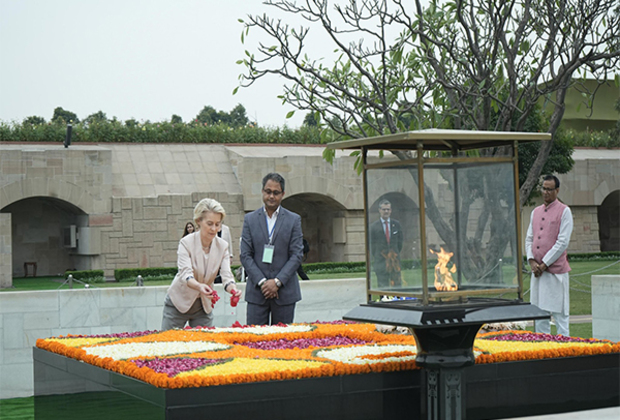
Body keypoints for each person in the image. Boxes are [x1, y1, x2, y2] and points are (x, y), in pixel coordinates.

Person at [162, 198, 242, 330]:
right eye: (209, 223)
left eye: (218, 224)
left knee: (207, 346)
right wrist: (199, 286)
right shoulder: (186, 243)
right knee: (167, 344)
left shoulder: (223, 246)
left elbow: (227, 276)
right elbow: (185, 274)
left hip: (203, 307)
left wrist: (233, 290)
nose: (214, 229)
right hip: (178, 303)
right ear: (198, 221)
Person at [240, 173, 304, 325]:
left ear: (283, 194)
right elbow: (245, 255)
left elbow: (296, 255)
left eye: (276, 193)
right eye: (268, 192)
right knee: (255, 342)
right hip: (257, 292)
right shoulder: (250, 219)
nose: (271, 196)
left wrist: (277, 282)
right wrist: (263, 282)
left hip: (285, 292)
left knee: (282, 343)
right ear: (262, 192)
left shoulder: (293, 220)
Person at [525, 174, 573, 337]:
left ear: (557, 191)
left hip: (555, 272)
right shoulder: (535, 212)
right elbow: (529, 238)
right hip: (538, 273)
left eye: (549, 189)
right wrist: (531, 261)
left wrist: (544, 264)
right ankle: (542, 350)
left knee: (560, 315)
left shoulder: (564, 211)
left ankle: (566, 352)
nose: (545, 192)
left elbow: (562, 242)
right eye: (543, 188)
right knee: (539, 315)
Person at [369, 199, 403, 288]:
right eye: (384, 209)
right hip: (381, 262)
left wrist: (393, 254)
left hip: (394, 261)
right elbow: (372, 245)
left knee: (397, 286)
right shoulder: (373, 227)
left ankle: (398, 301)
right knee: (383, 287)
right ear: (379, 210)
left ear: (391, 210)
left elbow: (400, 243)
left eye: (388, 209)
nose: (386, 211)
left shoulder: (396, 225)